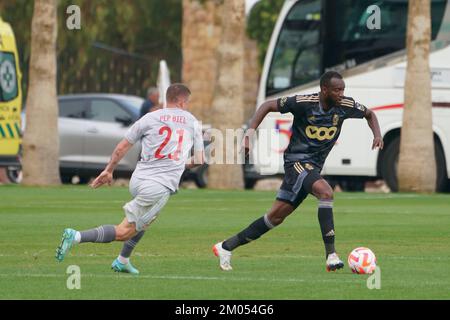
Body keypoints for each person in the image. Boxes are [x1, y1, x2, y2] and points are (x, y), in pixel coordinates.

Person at [213, 71, 384, 272]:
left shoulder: (345, 106)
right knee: (326, 192)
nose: (341, 93)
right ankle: (331, 255)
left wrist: (377, 135)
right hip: (296, 161)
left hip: (313, 166)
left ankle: (226, 246)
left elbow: (369, 114)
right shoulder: (304, 102)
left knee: (275, 217)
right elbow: (267, 105)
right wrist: (249, 135)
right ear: (324, 90)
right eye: (337, 90)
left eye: (343, 89)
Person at [56, 83, 204, 274]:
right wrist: (180, 163)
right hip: (158, 186)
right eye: (188, 102)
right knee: (124, 232)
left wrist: (109, 170)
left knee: (148, 219)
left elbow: (122, 147)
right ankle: (75, 236)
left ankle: (122, 260)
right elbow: (200, 159)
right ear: (183, 102)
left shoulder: (150, 117)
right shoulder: (192, 122)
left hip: (138, 179)